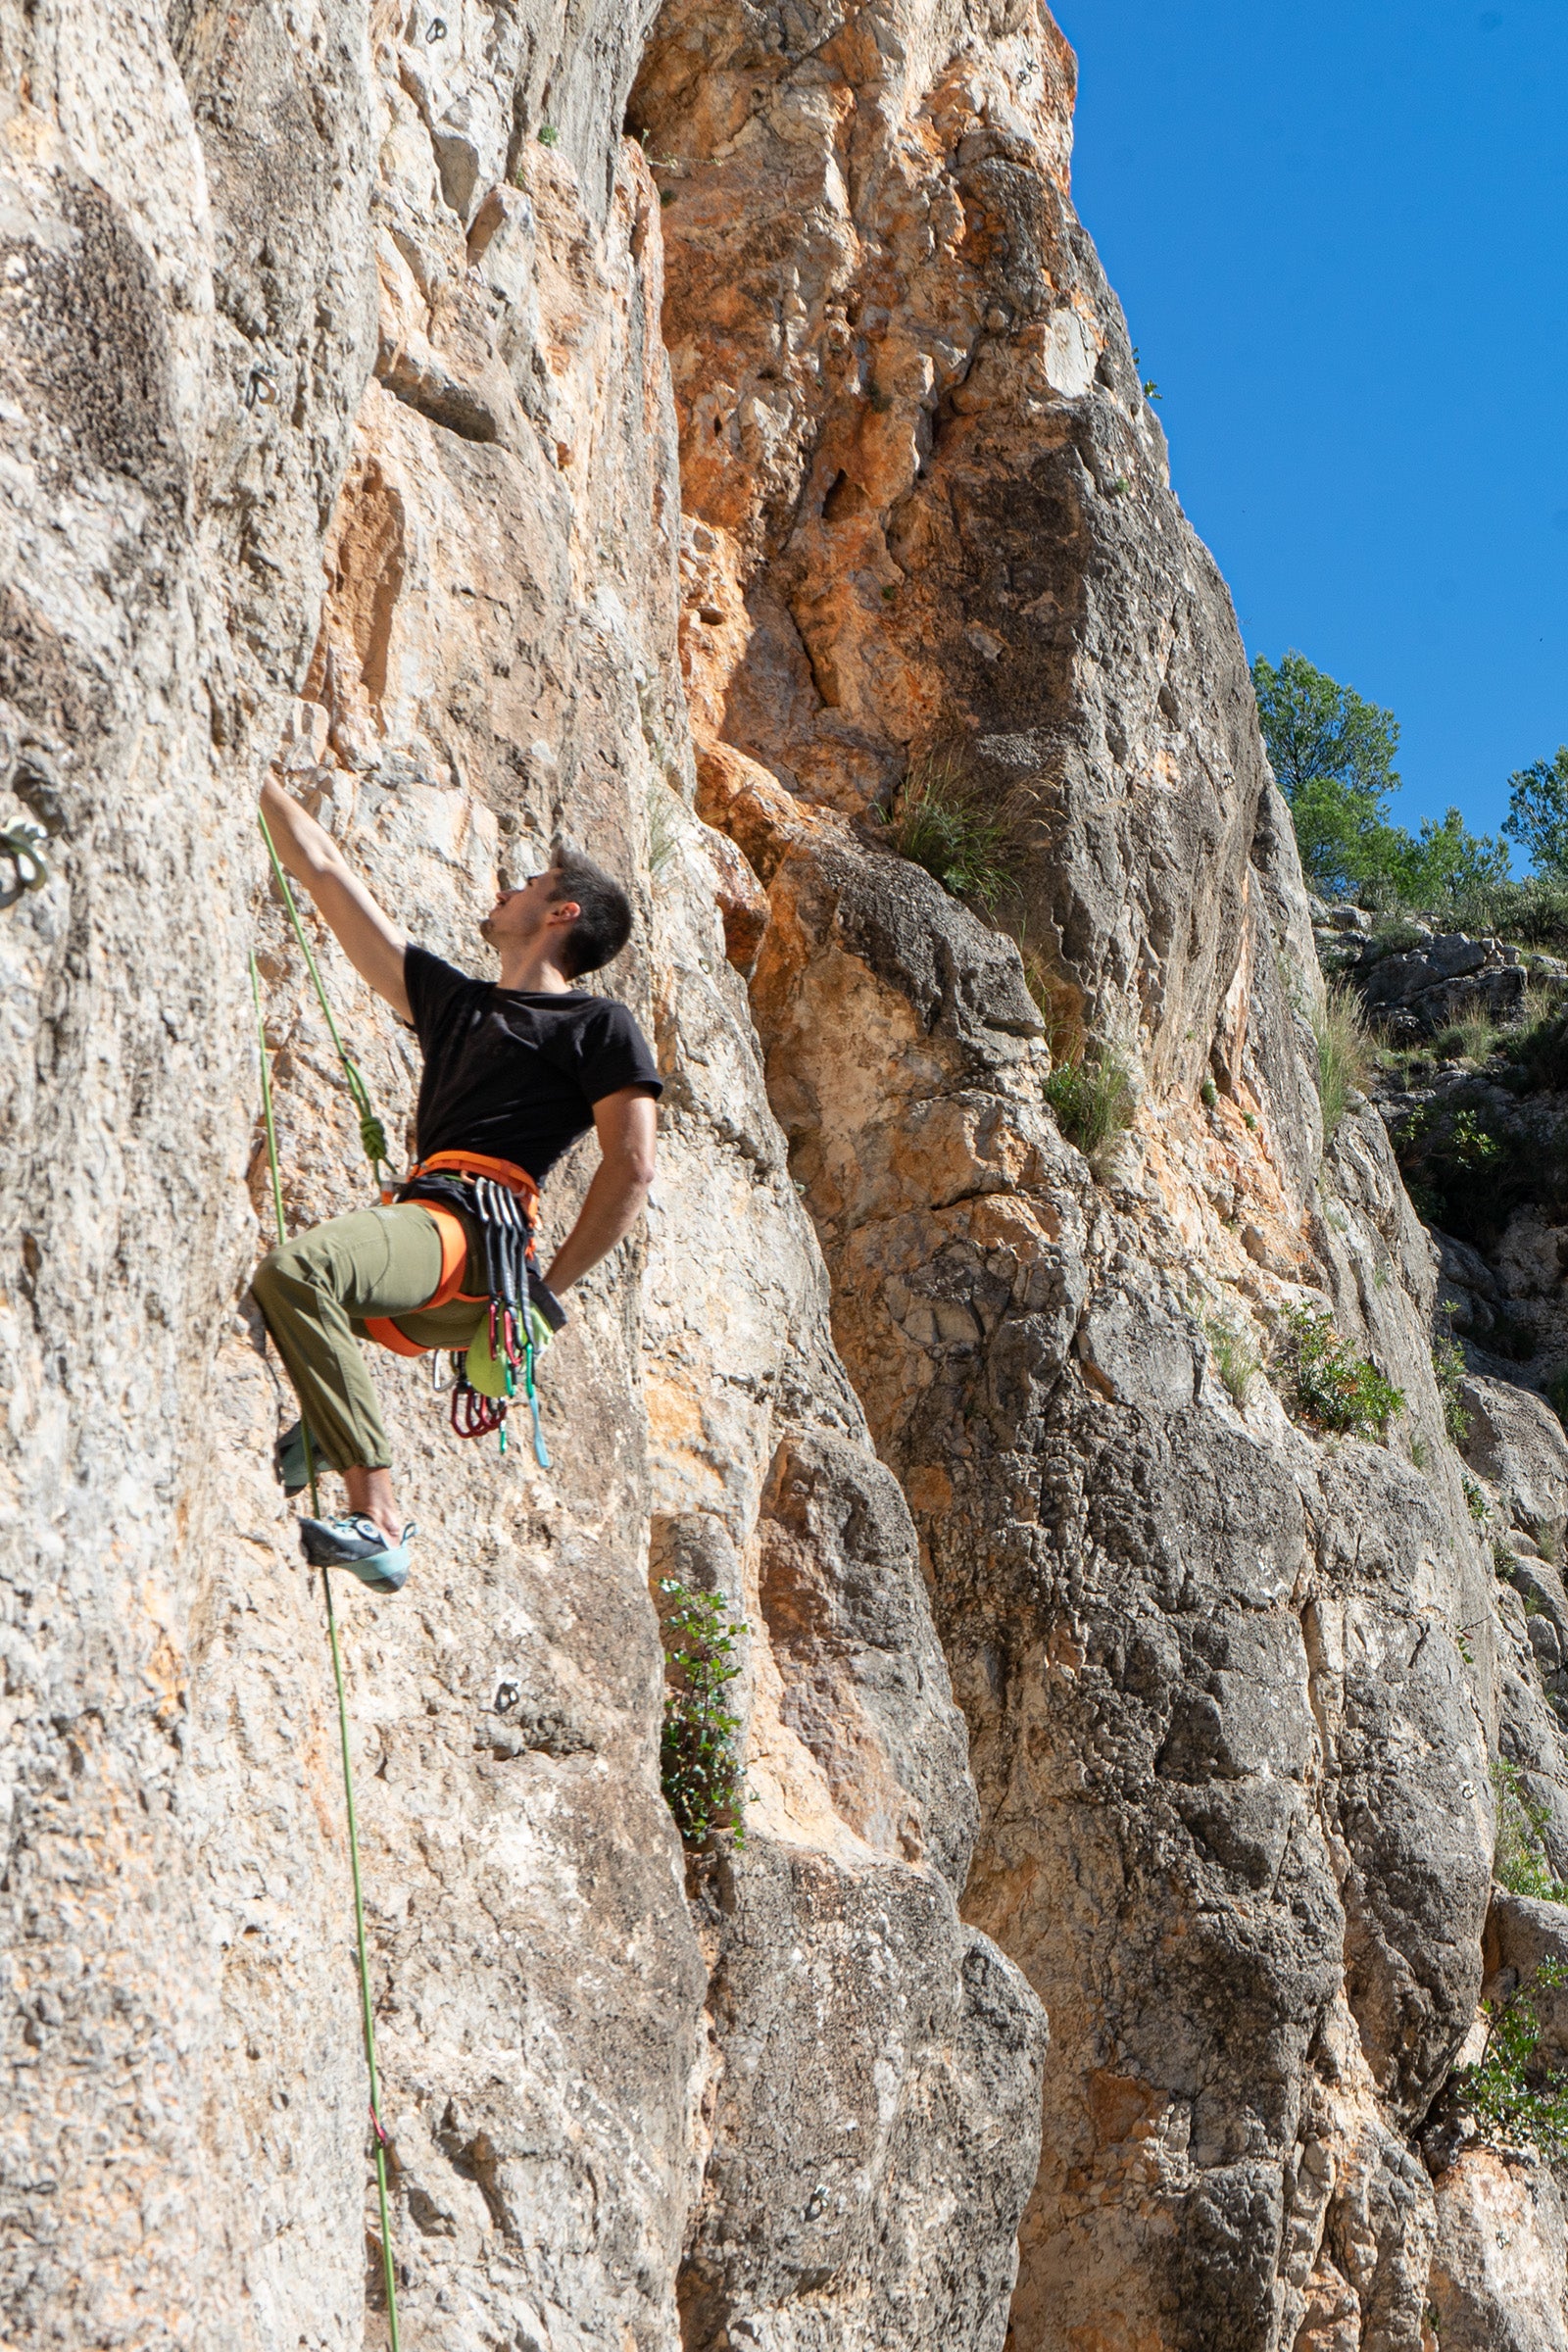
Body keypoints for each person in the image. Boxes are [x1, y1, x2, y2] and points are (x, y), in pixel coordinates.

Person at [251, 776, 661, 1593]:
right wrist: (254, 774)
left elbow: (633, 1165)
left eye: (528, 884)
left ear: (561, 913)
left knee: (299, 1272)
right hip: (438, 1256)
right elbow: (323, 869)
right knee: (289, 1300)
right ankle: (330, 1430)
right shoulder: (454, 1004)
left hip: (474, 1237)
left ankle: (377, 1518)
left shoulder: (596, 1024)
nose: (505, 890)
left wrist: (544, 1297)